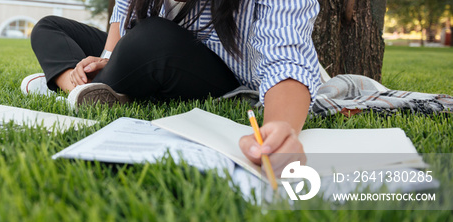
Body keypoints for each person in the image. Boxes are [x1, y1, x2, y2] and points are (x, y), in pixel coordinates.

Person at [21, 0, 322, 170]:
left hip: (214, 67)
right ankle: (73, 87)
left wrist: (281, 127)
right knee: (49, 27)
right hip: (138, 47)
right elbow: (122, 8)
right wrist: (107, 56)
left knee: (151, 39)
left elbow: (287, 56)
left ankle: (79, 85)